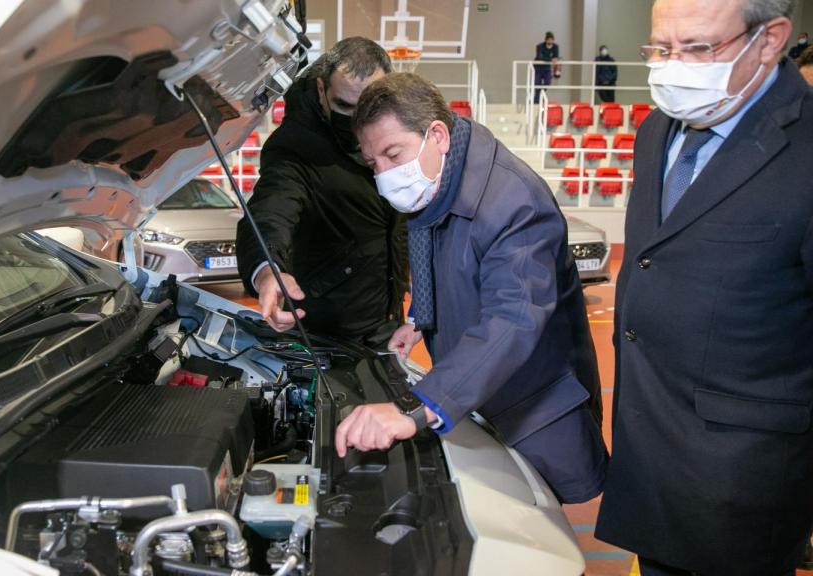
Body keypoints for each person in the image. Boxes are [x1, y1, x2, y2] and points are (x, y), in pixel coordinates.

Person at [594, 0, 813, 574]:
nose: (672, 68)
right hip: (650, 452)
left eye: (696, 49)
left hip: (745, 482)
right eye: (660, 50)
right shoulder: (656, 131)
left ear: (769, 40)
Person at [334, 72, 607, 505]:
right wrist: (420, 319)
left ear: (437, 135)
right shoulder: (444, 176)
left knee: (534, 536)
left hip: (534, 408)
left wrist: (416, 408)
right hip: (481, 391)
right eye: (374, 164)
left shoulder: (513, 202)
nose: (384, 175)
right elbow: (435, 245)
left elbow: (514, 318)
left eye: (392, 154)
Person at [235, 37, 407, 345]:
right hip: (327, 336)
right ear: (320, 90)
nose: (355, 118)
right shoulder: (295, 147)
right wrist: (266, 270)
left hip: (388, 323)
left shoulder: (394, 131)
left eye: (367, 106)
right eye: (343, 105)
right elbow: (270, 212)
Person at [533, 32, 560, 103]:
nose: (550, 41)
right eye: (548, 40)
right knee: (537, 84)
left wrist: (554, 60)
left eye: (551, 40)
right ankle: (536, 100)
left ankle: (539, 95)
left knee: (548, 82)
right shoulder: (540, 46)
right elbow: (539, 57)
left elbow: (556, 57)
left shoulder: (555, 47)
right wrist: (551, 60)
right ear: (546, 40)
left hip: (547, 68)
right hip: (538, 68)